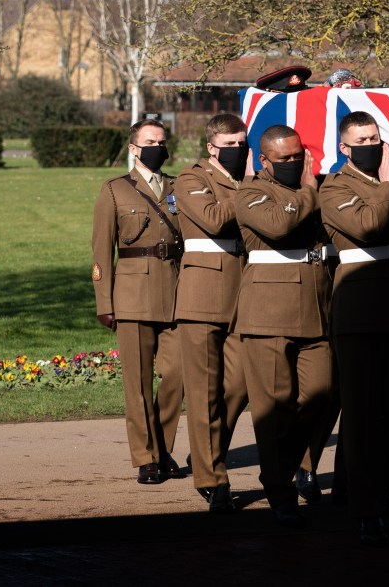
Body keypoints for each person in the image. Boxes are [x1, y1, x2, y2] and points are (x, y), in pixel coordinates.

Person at [318, 111, 389, 546]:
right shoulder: (335, 187)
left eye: (376, 137)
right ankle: (365, 507)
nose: (371, 144)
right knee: (361, 415)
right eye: (362, 138)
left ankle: (381, 489)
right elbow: (367, 225)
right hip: (359, 311)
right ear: (345, 147)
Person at [234, 124, 333, 527]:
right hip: (268, 312)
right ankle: (279, 489)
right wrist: (309, 188)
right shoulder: (249, 192)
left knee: (322, 396)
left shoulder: (319, 189)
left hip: (317, 307)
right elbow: (278, 225)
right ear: (264, 160)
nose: (293, 163)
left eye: (298, 156)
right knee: (274, 407)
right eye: (284, 159)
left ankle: (289, 467)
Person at [91, 118, 185, 485]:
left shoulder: (178, 187)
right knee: (138, 382)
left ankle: (161, 447)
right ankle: (146, 457)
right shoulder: (114, 190)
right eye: (149, 141)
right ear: (133, 148)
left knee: (177, 375)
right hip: (131, 296)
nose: (157, 147)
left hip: (176, 292)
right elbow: (101, 251)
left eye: (162, 141)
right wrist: (104, 302)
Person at [174, 114, 250, 513]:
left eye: (242, 143)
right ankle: (211, 476)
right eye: (230, 145)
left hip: (245, 294)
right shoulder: (191, 179)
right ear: (211, 147)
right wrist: (253, 188)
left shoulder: (248, 180)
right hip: (203, 295)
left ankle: (207, 451)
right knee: (204, 393)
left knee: (238, 388)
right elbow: (215, 219)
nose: (238, 151)